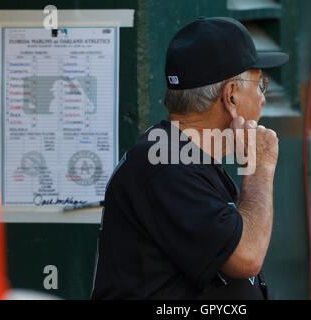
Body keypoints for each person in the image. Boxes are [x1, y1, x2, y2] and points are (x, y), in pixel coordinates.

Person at [91, 16, 289, 299]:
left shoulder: (182, 159)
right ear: (231, 96)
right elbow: (246, 257)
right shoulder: (165, 164)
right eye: (260, 85)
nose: (262, 99)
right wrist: (260, 166)